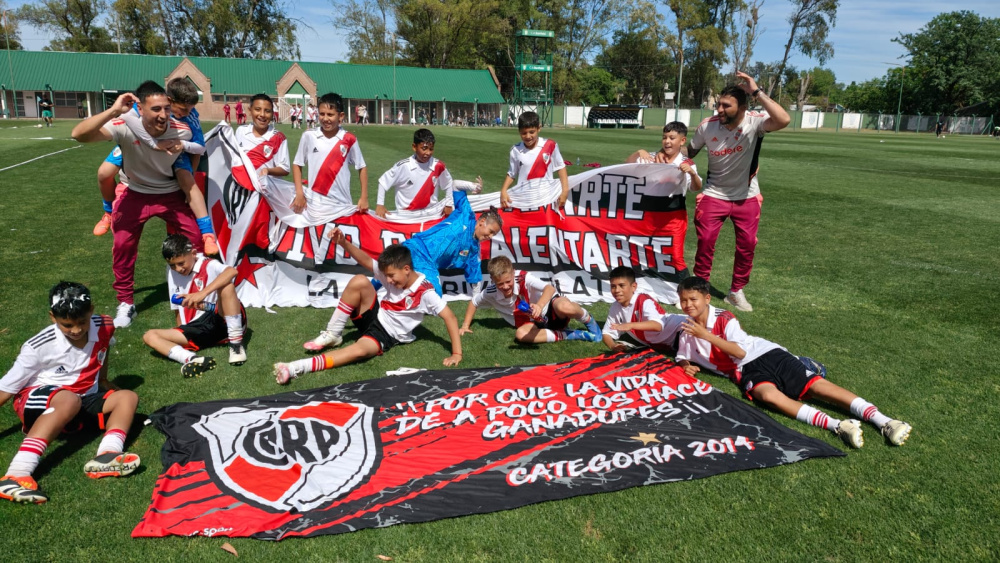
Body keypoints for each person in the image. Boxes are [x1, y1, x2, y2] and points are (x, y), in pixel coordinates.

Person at [674, 276, 912, 449]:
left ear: (707, 298)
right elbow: (683, 354)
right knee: (768, 396)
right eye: (683, 301)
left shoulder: (725, 319)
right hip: (744, 371)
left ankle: (884, 421)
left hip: (765, 353)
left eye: (693, 299)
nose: (688, 305)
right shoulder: (688, 329)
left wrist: (706, 336)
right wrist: (685, 364)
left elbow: (740, 352)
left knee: (817, 387)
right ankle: (838, 425)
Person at [73, 82, 206, 328]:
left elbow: (196, 152)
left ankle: (198, 294)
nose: (163, 115)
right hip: (135, 192)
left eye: (167, 108)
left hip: (170, 192)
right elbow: (79, 135)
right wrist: (113, 110)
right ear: (140, 109)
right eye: (156, 109)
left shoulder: (182, 131)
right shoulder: (123, 125)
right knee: (122, 245)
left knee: (195, 241)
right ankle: (126, 302)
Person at [0, 282, 140, 504]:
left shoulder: (104, 325)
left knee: (128, 397)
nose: (76, 330)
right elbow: (6, 388)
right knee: (69, 400)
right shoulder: (38, 346)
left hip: (79, 401)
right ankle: (16, 473)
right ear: (52, 317)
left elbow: (104, 347)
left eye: (82, 322)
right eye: (67, 325)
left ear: (91, 310)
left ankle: (108, 455)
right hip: (38, 402)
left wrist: (103, 379)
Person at [275, 241, 463, 384]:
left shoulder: (426, 292)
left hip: (386, 334)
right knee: (359, 280)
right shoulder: (395, 273)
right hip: (376, 314)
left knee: (360, 351)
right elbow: (366, 261)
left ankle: (295, 367)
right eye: (387, 276)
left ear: (406, 269)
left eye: (391, 276)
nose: (388, 280)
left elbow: (450, 317)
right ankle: (333, 333)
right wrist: (343, 243)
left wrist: (456, 353)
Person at [686, 71, 791, 312]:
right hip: (714, 194)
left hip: (747, 196)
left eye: (726, 106)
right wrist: (665, 153)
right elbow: (689, 153)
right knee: (705, 242)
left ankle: (736, 292)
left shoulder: (755, 122)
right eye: (719, 104)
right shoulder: (707, 126)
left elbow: (784, 119)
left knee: (747, 246)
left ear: (743, 108)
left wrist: (756, 91)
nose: (719, 110)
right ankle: (699, 287)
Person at [91, 79, 219, 257]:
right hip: (137, 147)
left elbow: (199, 147)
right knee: (103, 172)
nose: (186, 113)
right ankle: (108, 213)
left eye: (190, 109)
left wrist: (182, 145)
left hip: (173, 151)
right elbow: (126, 118)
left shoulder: (190, 117)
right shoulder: (148, 106)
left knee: (188, 181)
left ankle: (207, 233)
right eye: (182, 109)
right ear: (169, 100)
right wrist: (152, 143)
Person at [142, 235, 248, 377]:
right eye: (172, 265)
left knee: (226, 285)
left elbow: (232, 271)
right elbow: (177, 308)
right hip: (198, 327)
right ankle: (191, 359)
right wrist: (182, 329)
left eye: (181, 263)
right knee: (149, 336)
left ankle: (236, 344)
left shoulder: (208, 264)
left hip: (221, 316)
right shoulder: (172, 272)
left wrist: (202, 293)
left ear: (193, 253)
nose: (178, 269)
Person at [460, 256, 602, 344]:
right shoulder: (490, 292)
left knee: (565, 307)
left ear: (513, 273)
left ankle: (588, 320)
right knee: (520, 335)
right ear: (492, 280)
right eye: (500, 284)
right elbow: (474, 302)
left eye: (508, 281)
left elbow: (550, 288)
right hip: (533, 323)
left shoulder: (523, 277)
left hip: (550, 309)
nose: (505, 286)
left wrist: (539, 306)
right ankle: (570, 335)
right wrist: (465, 326)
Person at [291, 92, 369, 216]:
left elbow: (362, 167)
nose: (325, 118)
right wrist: (299, 193)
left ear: (341, 116)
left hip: (342, 205)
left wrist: (364, 197)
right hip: (315, 204)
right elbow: (297, 164)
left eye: (330, 114)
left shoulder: (349, 139)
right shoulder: (309, 136)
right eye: (322, 114)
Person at [601, 266, 686, 353]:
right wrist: (613, 346)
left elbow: (658, 326)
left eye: (621, 286)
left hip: (683, 327)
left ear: (634, 286)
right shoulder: (615, 306)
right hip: (674, 342)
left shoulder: (644, 300)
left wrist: (630, 325)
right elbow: (606, 333)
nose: (617, 290)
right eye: (613, 286)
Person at [375, 128, 455, 218]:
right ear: (414, 147)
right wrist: (380, 204)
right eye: (424, 148)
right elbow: (383, 182)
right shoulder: (403, 166)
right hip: (406, 216)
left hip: (431, 215)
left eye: (431, 149)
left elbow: (448, 183)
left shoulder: (438, 165)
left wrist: (449, 204)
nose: (428, 153)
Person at [499, 111, 570, 209]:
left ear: (539, 128)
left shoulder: (550, 145)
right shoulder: (515, 150)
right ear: (519, 131)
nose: (528, 136)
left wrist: (565, 191)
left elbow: (560, 167)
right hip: (525, 199)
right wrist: (503, 191)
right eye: (524, 133)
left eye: (532, 132)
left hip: (546, 199)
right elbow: (512, 173)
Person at [627, 121, 703, 192]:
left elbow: (695, 188)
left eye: (672, 138)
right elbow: (626, 168)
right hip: (647, 200)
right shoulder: (651, 157)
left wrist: (693, 174)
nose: (667, 141)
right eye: (664, 138)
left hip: (674, 201)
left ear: (682, 141)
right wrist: (638, 153)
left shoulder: (687, 163)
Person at [235, 93, 290, 178]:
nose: (262, 114)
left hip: (267, 186)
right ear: (250, 111)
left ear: (272, 113)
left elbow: (285, 168)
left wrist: (268, 171)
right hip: (243, 185)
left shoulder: (278, 138)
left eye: (267, 111)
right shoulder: (241, 131)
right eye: (257, 109)